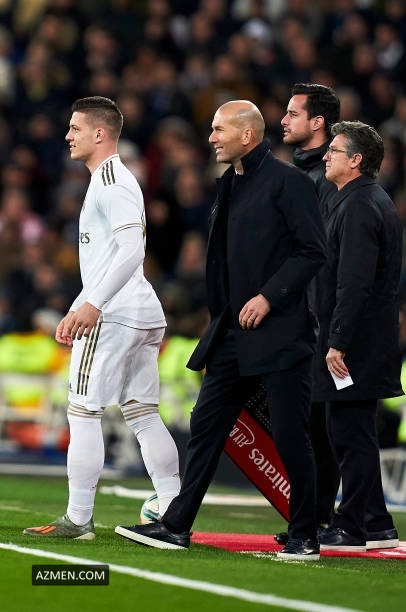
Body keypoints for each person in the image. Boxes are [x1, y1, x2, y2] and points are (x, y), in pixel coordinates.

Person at [115, 99, 327, 561]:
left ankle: (305, 535)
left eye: (218, 129)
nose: (210, 137)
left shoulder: (289, 182)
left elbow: (313, 251)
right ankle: (176, 525)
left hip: (281, 331)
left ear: (247, 135)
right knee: (206, 424)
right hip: (232, 332)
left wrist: (269, 296)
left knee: (290, 436)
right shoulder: (230, 182)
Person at [23, 96, 180, 539]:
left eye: (75, 128)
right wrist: (79, 304)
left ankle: (78, 518)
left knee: (82, 411)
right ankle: (174, 510)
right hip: (138, 312)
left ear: (99, 133)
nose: (67, 136)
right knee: (143, 414)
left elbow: (132, 251)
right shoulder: (108, 181)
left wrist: (94, 305)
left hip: (115, 315)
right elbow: (108, 260)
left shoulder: (111, 181)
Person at [315, 120, 402, 551]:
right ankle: (376, 521)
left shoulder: (359, 205)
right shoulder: (364, 199)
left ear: (356, 160)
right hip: (367, 336)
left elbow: (353, 282)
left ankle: (351, 527)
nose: (326, 155)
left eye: (334, 150)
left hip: (357, 341)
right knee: (353, 428)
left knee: (349, 431)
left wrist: (338, 340)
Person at [274, 83, 341, 544]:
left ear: (318, 122)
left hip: (318, 314)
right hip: (301, 310)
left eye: (293, 114)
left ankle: (322, 519)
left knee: (320, 422)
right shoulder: (300, 173)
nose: (283, 121)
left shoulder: (326, 179)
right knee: (308, 420)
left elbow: (324, 254)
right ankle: (315, 517)